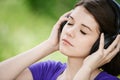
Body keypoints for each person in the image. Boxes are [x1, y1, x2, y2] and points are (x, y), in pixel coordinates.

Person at [0, 0, 120, 80]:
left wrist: (86, 69)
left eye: (83, 31)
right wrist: (49, 45)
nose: (69, 32)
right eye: (70, 23)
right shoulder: (48, 70)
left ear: (105, 43)